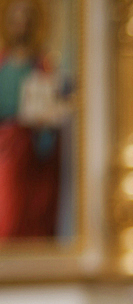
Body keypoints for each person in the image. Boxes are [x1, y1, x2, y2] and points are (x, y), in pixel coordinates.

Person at [0, 0, 65, 240]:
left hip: (32, 150)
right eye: (15, 19)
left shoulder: (42, 66)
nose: (21, 25)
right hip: (4, 150)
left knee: (30, 212)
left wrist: (45, 128)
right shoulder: (2, 65)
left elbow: (51, 113)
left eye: (26, 19)